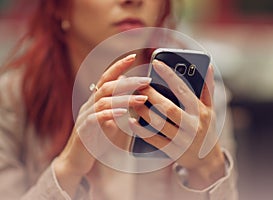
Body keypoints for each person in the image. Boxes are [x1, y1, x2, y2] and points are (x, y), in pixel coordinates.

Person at [0, 0, 238, 199]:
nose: (133, 1)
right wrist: (68, 169)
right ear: (60, 7)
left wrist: (208, 168)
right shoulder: (12, 98)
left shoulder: (197, 101)